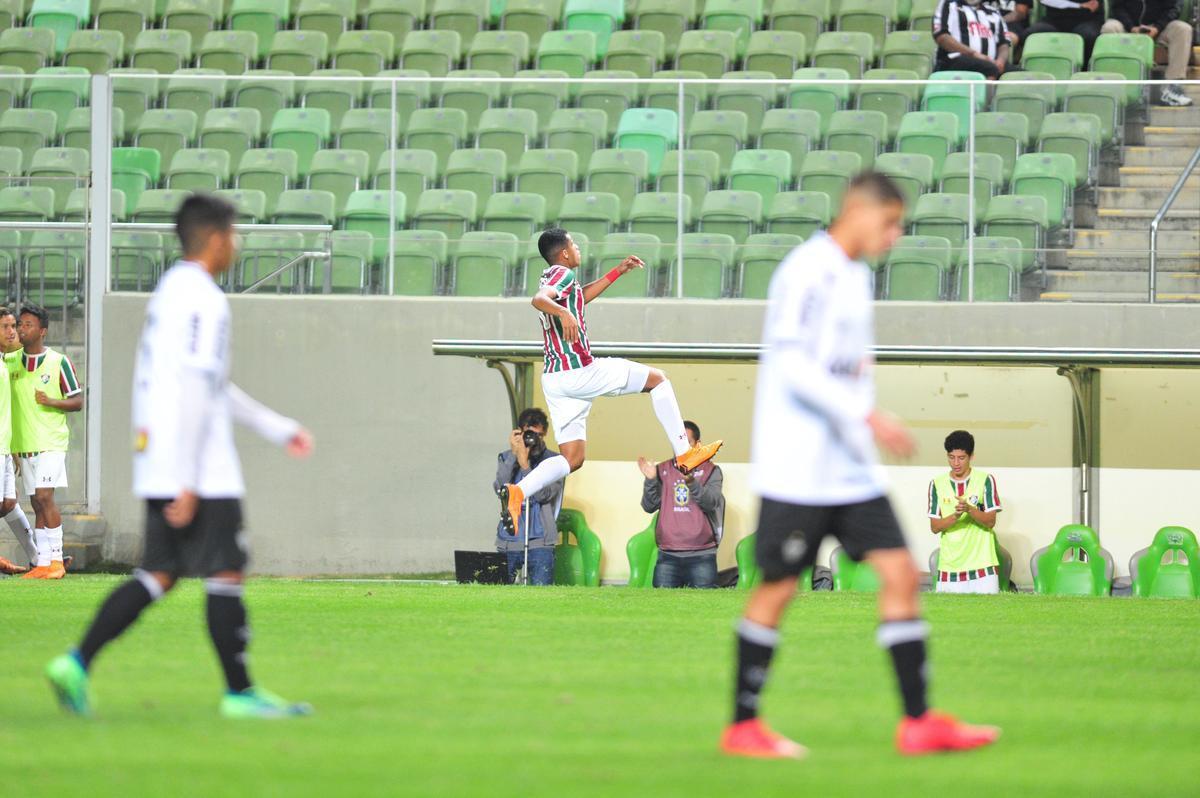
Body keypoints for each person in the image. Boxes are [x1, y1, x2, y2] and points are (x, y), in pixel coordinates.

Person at [719, 173, 1000, 760]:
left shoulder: (854, 277)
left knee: (900, 574)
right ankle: (744, 726)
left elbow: (843, 368)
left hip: (851, 471)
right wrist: (866, 414)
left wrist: (862, 426)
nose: (895, 236)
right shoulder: (805, 271)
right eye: (890, 222)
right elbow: (792, 363)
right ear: (858, 210)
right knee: (776, 591)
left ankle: (918, 723)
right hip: (799, 469)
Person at [45, 194, 315, 719]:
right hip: (202, 468)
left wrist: (277, 428)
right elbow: (196, 388)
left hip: (160, 458)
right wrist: (191, 479)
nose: (235, 245)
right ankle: (240, 693)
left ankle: (76, 662)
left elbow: (206, 383)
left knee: (159, 573)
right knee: (226, 571)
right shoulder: (205, 300)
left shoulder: (169, 291)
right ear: (216, 239)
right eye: (233, 235)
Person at [496, 228, 723, 536]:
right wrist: (564, 313)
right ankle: (685, 453)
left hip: (556, 379)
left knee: (572, 459)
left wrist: (617, 272)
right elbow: (539, 300)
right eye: (574, 244)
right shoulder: (561, 274)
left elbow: (579, 297)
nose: (578, 248)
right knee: (658, 380)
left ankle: (518, 492)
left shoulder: (556, 276)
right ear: (563, 253)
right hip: (580, 371)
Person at [7, 302, 83, 580]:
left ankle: (57, 561)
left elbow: (78, 401)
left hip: (51, 442)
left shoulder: (58, 362)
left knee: (44, 496)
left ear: (43, 331)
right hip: (24, 446)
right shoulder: (11, 362)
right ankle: (42, 563)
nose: (21, 329)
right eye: (19, 324)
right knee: (36, 503)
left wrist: (50, 401)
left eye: (27, 325)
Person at [638, 420, 725, 589]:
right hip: (667, 556)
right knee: (663, 608)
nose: (681, 447)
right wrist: (650, 481)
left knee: (704, 608)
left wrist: (691, 481)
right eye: (677, 441)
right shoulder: (662, 469)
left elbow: (711, 503)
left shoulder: (711, 470)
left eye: (687, 442)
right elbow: (649, 506)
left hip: (702, 556)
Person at [494, 407, 563, 585]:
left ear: (545, 432)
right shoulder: (506, 457)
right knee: (499, 594)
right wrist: (514, 456)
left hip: (540, 540)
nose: (533, 440)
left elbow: (543, 495)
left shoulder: (555, 462)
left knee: (541, 598)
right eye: (528, 434)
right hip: (509, 537)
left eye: (538, 434)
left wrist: (525, 465)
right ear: (519, 432)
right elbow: (501, 490)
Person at [928, 430, 1003, 594]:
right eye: (951, 457)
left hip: (983, 566)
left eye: (961, 458)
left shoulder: (985, 480)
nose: (956, 463)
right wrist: (955, 516)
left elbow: (990, 521)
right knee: (947, 618)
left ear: (971, 456)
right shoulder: (937, 484)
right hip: (950, 566)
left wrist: (969, 509)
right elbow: (935, 527)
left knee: (988, 617)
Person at [1102, 0, 1195, 107]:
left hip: (1159, 27)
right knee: (1109, 28)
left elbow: (1173, 9)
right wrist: (1131, 27)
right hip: (1128, 27)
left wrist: (1157, 27)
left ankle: (1173, 85)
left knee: (1183, 29)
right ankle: (1112, 84)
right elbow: (1117, 8)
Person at [0, 306, 37, 574]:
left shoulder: (5, 362)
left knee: (8, 504)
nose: (12, 332)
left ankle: (36, 557)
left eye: (14, 326)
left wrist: (11, 447)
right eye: (5, 327)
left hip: (4, 445)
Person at [933, 0, 1013, 78]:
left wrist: (1001, 61)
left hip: (990, 62)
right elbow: (942, 37)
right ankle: (986, 91)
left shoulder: (994, 12)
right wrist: (973, 54)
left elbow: (1004, 43)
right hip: (953, 59)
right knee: (990, 68)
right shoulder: (950, 4)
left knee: (1018, 74)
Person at [1026, 0, 1105, 62]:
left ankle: (1084, 71)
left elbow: (1094, 5)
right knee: (1032, 34)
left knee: (1089, 35)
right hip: (1054, 20)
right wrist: (1079, 5)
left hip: (1086, 19)